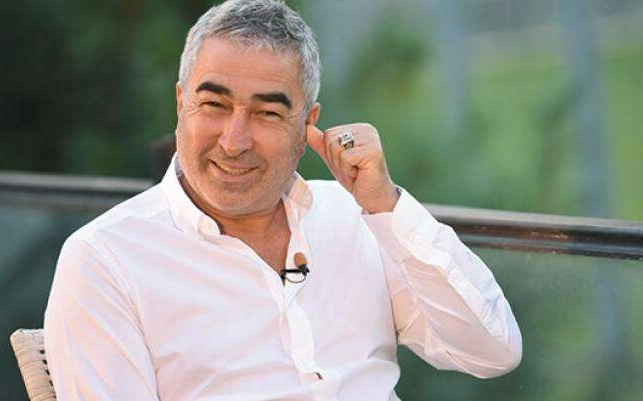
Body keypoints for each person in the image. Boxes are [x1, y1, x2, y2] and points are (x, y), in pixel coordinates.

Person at [43, 1, 522, 400]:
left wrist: (386, 207)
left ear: (307, 125)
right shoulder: (105, 259)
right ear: (181, 103)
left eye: (267, 113)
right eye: (214, 104)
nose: (234, 141)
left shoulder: (358, 218)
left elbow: (492, 351)